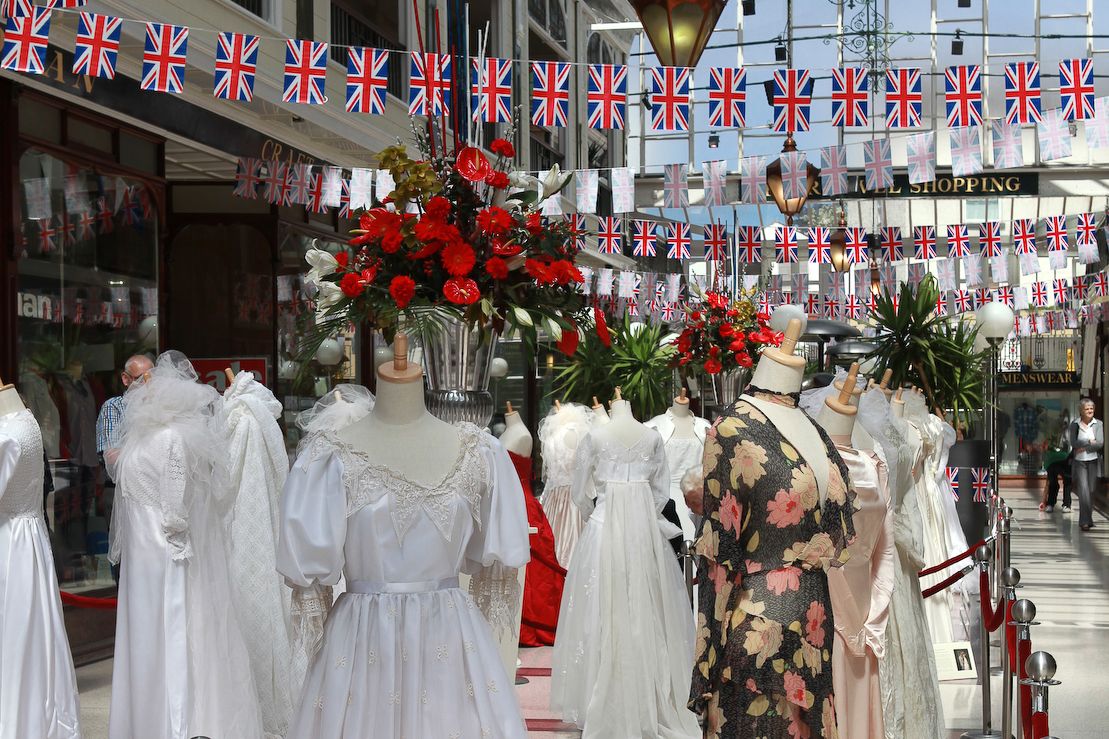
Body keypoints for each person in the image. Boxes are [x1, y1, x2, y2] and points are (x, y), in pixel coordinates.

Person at [96, 354, 153, 476]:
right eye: (141, 379)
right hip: (129, 481)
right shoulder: (114, 406)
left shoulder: (163, 405)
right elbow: (111, 457)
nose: (148, 384)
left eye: (152, 378)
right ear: (125, 379)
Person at [1067, 398, 1102, 532]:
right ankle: (1084, 522)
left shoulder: (1098, 424)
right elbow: (1074, 443)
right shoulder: (1074, 424)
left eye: (1091, 409)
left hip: (1093, 460)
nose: (1090, 411)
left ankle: (1089, 518)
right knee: (1084, 490)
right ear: (1081, 411)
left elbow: (1100, 443)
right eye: (1087, 409)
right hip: (1080, 461)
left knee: (1091, 490)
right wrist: (1089, 441)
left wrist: (1086, 447)